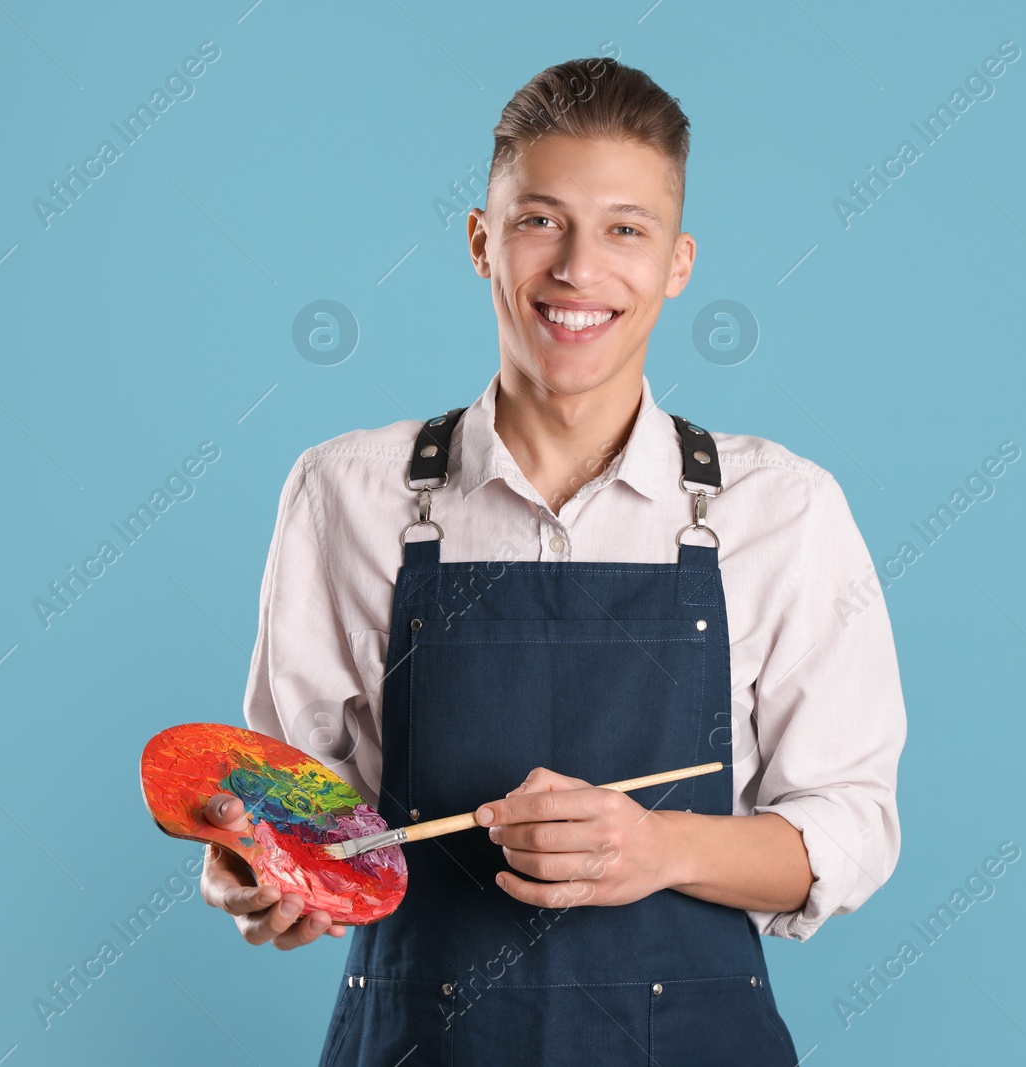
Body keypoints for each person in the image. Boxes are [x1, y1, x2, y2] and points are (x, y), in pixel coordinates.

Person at [197, 56, 907, 1066]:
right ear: (482, 242)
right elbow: (308, 815)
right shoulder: (344, 492)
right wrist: (262, 873)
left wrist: (658, 846)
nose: (578, 267)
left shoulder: (780, 508)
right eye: (540, 220)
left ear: (678, 263)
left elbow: (849, 828)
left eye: (626, 227)